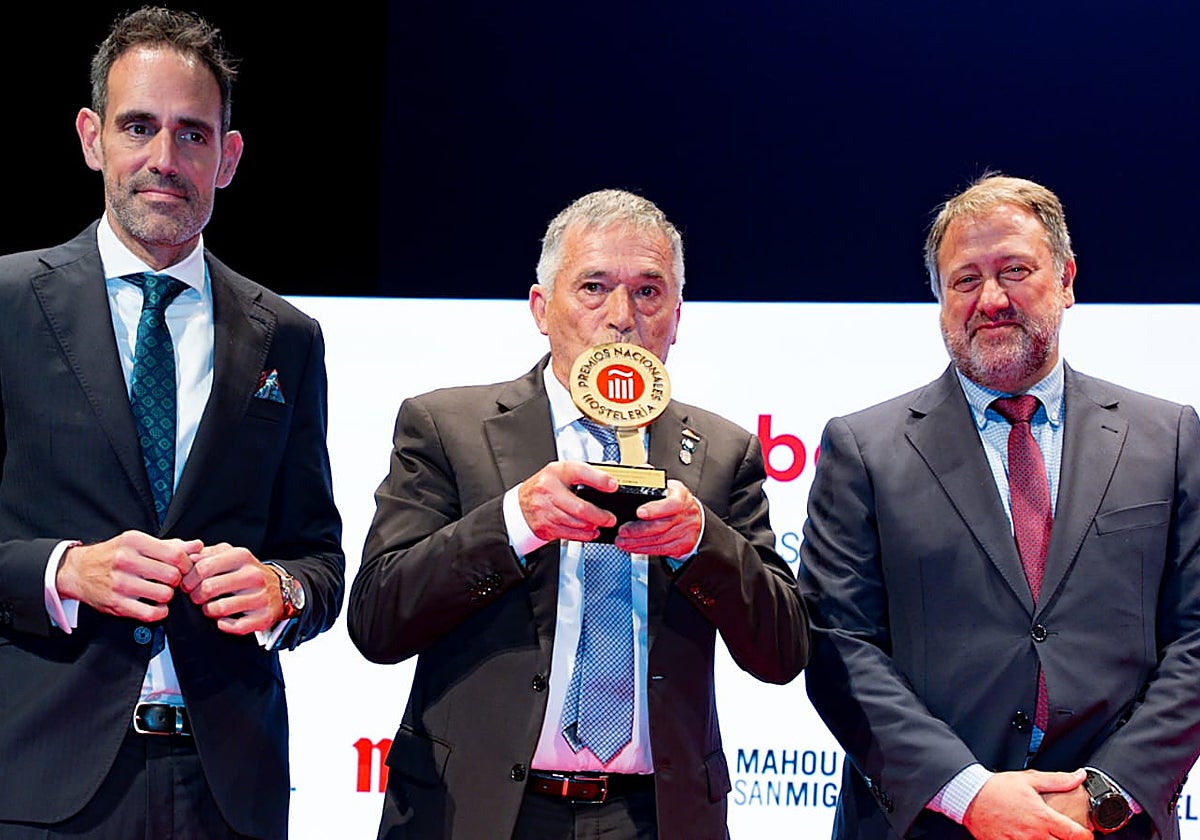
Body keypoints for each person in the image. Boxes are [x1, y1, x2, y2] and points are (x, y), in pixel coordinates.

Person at [348, 188, 808, 839]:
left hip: (654, 817)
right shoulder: (447, 427)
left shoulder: (722, 452)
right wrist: (512, 523)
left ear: (677, 316)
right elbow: (376, 621)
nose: (622, 317)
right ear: (542, 308)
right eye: (593, 287)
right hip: (479, 812)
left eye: (649, 293)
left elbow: (783, 650)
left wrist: (702, 541)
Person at [0, 7, 344, 838]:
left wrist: (283, 589)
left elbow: (321, 559)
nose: (163, 159)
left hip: (229, 787)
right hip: (41, 781)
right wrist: (61, 573)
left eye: (192, 134)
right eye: (138, 127)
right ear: (92, 139)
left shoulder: (287, 337)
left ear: (227, 157)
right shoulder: (7, 307)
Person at [796, 173, 1200, 840]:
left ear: (1067, 279)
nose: (991, 300)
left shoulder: (1170, 437)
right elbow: (838, 647)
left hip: (1111, 824)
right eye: (964, 280)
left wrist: (1107, 791)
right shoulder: (862, 449)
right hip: (931, 822)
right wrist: (969, 795)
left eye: (1015, 270)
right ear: (939, 297)